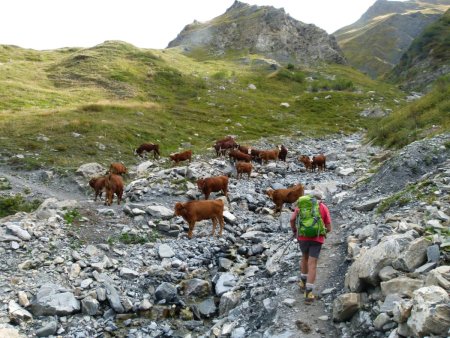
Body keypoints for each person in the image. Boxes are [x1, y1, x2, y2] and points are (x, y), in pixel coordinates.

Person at [290, 191, 332, 304]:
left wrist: (295, 231)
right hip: (317, 238)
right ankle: (308, 293)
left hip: (302, 237)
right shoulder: (322, 207)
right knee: (312, 263)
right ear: (320, 199)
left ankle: (303, 282)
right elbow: (329, 227)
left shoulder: (302, 206)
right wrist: (322, 231)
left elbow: (292, 219)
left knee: (304, 257)